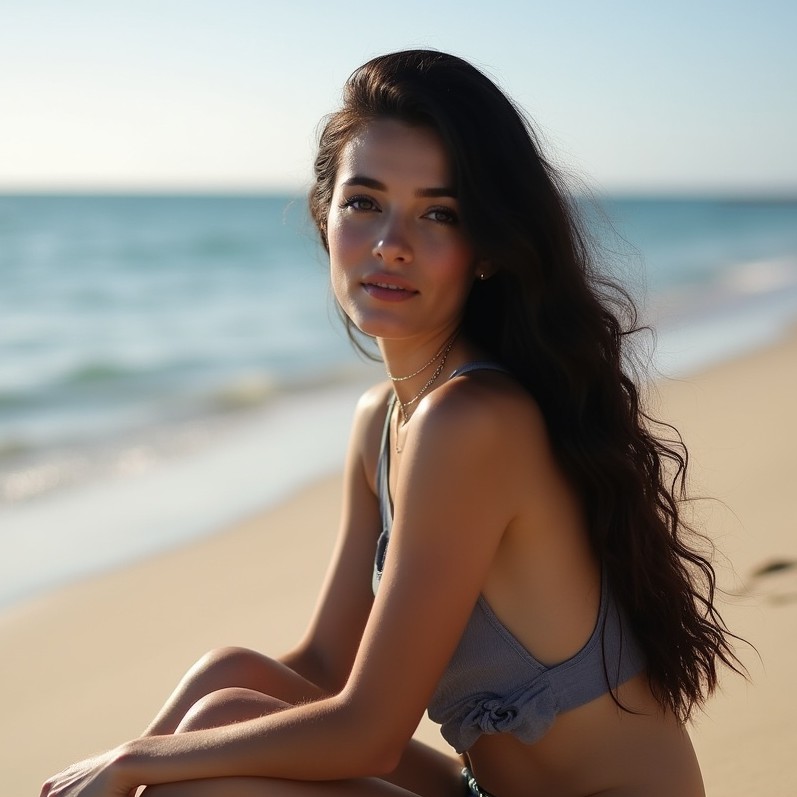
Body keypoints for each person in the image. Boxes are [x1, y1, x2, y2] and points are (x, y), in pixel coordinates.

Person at [41, 49, 744, 797]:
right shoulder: (384, 418)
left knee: (201, 785)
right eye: (364, 201)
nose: (390, 243)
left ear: (486, 249)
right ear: (325, 213)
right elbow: (323, 669)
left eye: (438, 213)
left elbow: (371, 733)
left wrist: (131, 759)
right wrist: (158, 751)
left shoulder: (472, 421)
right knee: (228, 681)